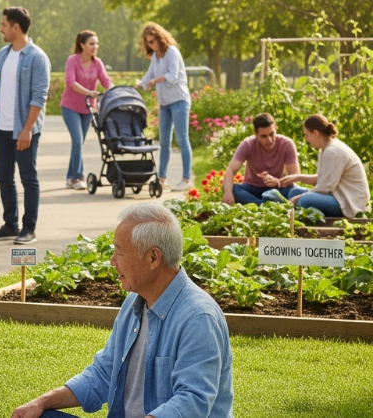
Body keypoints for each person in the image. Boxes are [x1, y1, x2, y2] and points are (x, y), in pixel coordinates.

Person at [12, 203, 234, 418]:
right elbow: (103, 373)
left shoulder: (198, 317)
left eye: (119, 252)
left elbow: (193, 401)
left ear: (153, 257)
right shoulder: (133, 303)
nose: (112, 261)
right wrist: (41, 402)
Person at [0, 7, 51, 245]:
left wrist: (27, 129)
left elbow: (39, 97)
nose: (0, 29)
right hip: (2, 128)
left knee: (28, 178)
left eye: (3, 25)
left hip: (24, 129)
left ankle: (29, 228)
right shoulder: (3, 54)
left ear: (16, 27)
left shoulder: (37, 57)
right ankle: (10, 224)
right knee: (4, 177)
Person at [136, 23, 193, 192]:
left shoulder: (172, 52)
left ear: (160, 38)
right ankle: (161, 178)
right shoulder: (156, 56)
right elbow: (150, 74)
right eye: (148, 43)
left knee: (182, 139)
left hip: (179, 100)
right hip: (165, 102)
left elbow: (172, 76)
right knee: (164, 141)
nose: (151, 45)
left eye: (152, 41)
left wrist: (155, 81)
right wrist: (142, 83)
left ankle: (186, 179)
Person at [280, 114, 370, 218]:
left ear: (315, 133)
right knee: (294, 192)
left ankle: (310, 221)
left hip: (350, 204)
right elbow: (322, 179)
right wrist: (297, 177)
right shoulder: (324, 149)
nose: (306, 139)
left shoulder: (333, 152)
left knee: (305, 200)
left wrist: (300, 197)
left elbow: (324, 188)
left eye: (306, 134)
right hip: (336, 196)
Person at [60, 30, 113, 190]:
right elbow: (71, 82)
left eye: (96, 43)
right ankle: (78, 177)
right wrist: (89, 92)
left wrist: (115, 92)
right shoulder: (72, 60)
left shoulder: (97, 63)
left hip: (88, 108)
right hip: (70, 106)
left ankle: (70, 177)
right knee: (77, 141)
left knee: (79, 143)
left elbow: (106, 81)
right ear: (82, 45)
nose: (95, 47)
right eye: (91, 44)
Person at [222, 113, 300, 205]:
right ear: (256, 134)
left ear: (276, 129)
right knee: (231, 188)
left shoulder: (286, 144)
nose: (269, 140)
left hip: (277, 189)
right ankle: (265, 204)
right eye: (264, 136)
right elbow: (231, 170)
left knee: (297, 191)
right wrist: (228, 193)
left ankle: (259, 204)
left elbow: (295, 176)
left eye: (272, 134)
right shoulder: (248, 144)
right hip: (252, 188)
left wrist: (277, 181)